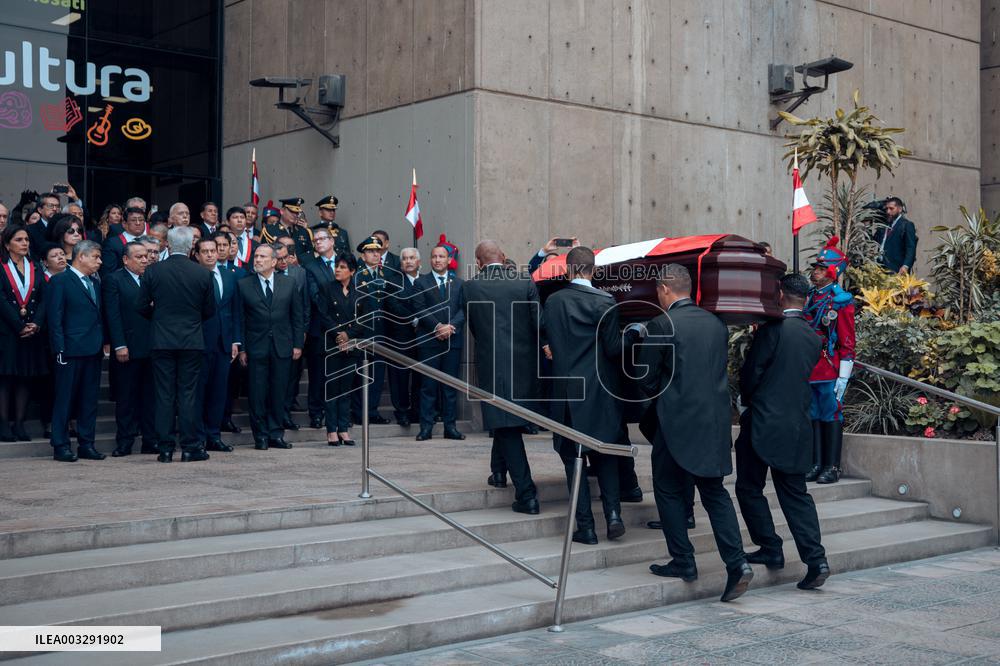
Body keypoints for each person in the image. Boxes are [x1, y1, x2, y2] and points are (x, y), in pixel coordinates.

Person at [638, 263, 752, 602]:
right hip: (714, 421)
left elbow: (646, 379)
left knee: (668, 490)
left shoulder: (661, 324)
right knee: (715, 493)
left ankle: (684, 561)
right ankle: (738, 562)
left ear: (664, 289)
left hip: (675, 423)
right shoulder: (716, 323)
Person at [735, 273, 831, 590]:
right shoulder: (813, 336)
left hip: (763, 422)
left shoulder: (772, 330)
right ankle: (816, 560)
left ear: (780, 294)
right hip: (797, 424)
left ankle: (770, 547)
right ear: (805, 298)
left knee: (749, 487)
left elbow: (752, 373)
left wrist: (746, 400)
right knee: (795, 494)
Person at [543, 246, 627, 544]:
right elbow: (613, 349)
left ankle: (586, 528)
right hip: (599, 391)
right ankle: (613, 515)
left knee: (572, 459)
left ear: (567, 269)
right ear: (595, 270)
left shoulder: (553, 301)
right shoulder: (605, 301)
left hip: (567, 392)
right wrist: (633, 334)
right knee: (605, 455)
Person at [462, 240, 541, 515]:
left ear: (479, 263)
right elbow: (537, 323)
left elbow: (473, 326)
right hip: (524, 365)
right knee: (505, 420)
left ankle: (527, 494)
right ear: (504, 257)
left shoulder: (470, 287)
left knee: (505, 425)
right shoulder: (524, 281)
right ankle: (498, 471)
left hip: (492, 364)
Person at [138, 226, 216, 463]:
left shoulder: (153, 271)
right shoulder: (202, 273)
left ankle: (165, 449)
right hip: (191, 340)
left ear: (168, 246)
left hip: (162, 339)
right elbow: (209, 310)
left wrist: (158, 317)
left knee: (164, 395)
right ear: (191, 246)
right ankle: (190, 447)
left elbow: (140, 305)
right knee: (188, 394)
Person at [238, 244, 304, 450]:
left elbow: (297, 316)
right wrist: (242, 348)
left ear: (274, 262)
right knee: (257, 394)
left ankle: (276, 433)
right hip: (255, 347)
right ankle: (261, 436)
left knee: (278, 392)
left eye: (262, 257)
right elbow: (240, 319)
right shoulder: (244, 284)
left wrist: (297, 344)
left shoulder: (289, 283)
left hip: (282, 346)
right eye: (256, 256)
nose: (257, 260)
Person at [804, 237, 856, 484]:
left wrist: (843, 376)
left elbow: (847, 340)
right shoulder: (809, 297)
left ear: (833, 272)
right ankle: (816, 463)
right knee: (813, 414)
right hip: (810, 367)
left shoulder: (840, 300)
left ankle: (832, 466)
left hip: (829, 367)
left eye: (821, 268)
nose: (816, 271)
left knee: (830, 414)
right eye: (816, 267)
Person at [46, 240, 104, 462]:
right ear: (81, 256)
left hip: (93, 349)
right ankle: (60, 444)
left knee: (89, 400)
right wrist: (59, 348)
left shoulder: (94, 282)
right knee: (65, 399)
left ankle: (86, 443)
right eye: (95, 257)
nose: (99, 261)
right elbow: (55, 318)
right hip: (70, 350)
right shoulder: (60, 281)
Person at [103, 241, 156, 456]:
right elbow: (113, 314)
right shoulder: (114, 279)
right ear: (125, 259)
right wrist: (119, 344)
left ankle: (150, 440)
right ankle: (125, 441)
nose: (145, 260)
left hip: (152, 347)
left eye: (146, 256)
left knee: (150, 397)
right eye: (139, 257)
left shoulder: (151, 278)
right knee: (126, 397)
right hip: (127, 347)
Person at [412, 245, 466, 442]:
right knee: (428, 386)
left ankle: (450, 427)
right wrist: (437, 327)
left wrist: (450, 327)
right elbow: (419, 308)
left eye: (441, 256)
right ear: (430, 259)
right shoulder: (420, 282)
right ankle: (426, 427)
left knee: (450, 386)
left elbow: (464, 309)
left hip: (453, 340)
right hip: (429, 341)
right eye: (434, 256)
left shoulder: (460, 283)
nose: (437, 260)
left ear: (449, 260)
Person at [193, 237, 241, 453]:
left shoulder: (228, 276)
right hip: (199, 342)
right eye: (205, 251)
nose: (211, 254)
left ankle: (214, 435)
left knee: (219, 392)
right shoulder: (193, 276)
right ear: (197, 255)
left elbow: (235, 310)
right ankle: (198, 437)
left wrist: (235, 340)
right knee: (199, 393)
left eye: (213, 250)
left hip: (224, 343)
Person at [0, 226, 48, 442]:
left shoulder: (34, 266)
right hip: (8, 331)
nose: (24, 243)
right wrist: (19, 325)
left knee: (25, 377)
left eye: (26, 239)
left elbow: (45, 298)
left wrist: (36, 323)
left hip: (32, 330)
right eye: (19, 239)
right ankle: (3, 423)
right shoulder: (1, 266)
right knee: (6, 377)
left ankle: (19, 423)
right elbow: (1, 300)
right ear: (7, 244)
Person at [351, 236, 400, 424]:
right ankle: (358, 412)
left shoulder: (384, 274)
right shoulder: (357, 276)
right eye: (371, 251)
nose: (375, 254)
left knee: (377, 375)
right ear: (363, 255)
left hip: (380, 332)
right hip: (362, 333)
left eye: (378, 251)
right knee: (360, 375)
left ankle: (372, 411)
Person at [318, 252, 362, 446]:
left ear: (352, 271)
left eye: (343, 267)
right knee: (332, 388)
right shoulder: (327, 288)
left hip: (351, 346)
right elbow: (323, 315)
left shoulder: (360, 291)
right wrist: (339, 334)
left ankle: (343, 428)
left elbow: (364, 318)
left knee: (346, 388)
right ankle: (331, 430)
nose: (337, 270)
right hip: (332, 344)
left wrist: (348, 335)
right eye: (337, 266)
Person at [303, 228, 339, 428]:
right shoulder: (310, 267)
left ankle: (338, 415)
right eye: (315, 240)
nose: (318, 242)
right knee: (317, 375)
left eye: (322, 239)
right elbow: (316, 297)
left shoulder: (345, 262)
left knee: (339, 374)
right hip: (320, 329)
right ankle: (316, 413)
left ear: (332, 241)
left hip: (344, 328)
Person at [276, 242, 310, 430]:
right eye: (279, 258)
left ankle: (285, 413)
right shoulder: (265, 275)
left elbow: (305, 306)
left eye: (285, 257)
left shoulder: (300, 273)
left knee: (292, 377)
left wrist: (302, 331)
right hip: (273, 334)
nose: (283, 262)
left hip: (293, 333)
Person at [261, 198, 314, 264]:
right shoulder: (269, 230)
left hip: (300, 268)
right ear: (282, 211)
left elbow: (310, 255)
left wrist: (298, 261)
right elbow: (263, 254)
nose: (295, 215)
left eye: (297, 212)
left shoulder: (303, 231)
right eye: (292, 211)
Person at [874, 196, 917, 274]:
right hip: (880, 269)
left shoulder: (907, 225)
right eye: (886, 209)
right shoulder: (883, 225)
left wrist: (906, 266)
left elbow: (911, 248)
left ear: (900, 209)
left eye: (891, 209)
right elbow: (873, 241)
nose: (888, 211)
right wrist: (866, 226)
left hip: (897, 270)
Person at [101, 206, 146, 275]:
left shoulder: (150, 241)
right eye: (133, 220)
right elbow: (108, 273)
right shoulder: (112, 243)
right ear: (124, 224)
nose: (138, 223)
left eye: (141, 220)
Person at [27, 193, 61, 257]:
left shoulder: (64, 228)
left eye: (57, 206)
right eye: (50, 206)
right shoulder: (30, 229)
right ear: (40, 210)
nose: (55, 209)